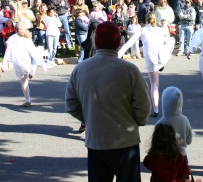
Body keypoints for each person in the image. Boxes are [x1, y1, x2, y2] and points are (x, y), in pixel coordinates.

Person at [65, 22, 151, 182]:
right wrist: (137, 121)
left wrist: (88, 118)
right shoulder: (130, 70)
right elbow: (143, 105)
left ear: (96, 42)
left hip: (96, 139)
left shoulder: (81, 69)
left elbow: (71, 103)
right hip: (125, 139)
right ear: (118, 42)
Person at [1, 22, 48, 107]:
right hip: (26, 59)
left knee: (24, 81)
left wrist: (4, 63)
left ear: (15, 29)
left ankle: (28, 100)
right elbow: (33, 52)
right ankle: (31, 71)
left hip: (18, 61)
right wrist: (42, 64)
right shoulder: (27, 38)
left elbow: (7, 52)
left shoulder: (12, 38)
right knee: (26, 77)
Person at [157, 87, 193, 158]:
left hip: (165, 157)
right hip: (182, 156)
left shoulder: (161, 123)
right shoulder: (184, 119)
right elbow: (189, 140)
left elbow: (156, 144)